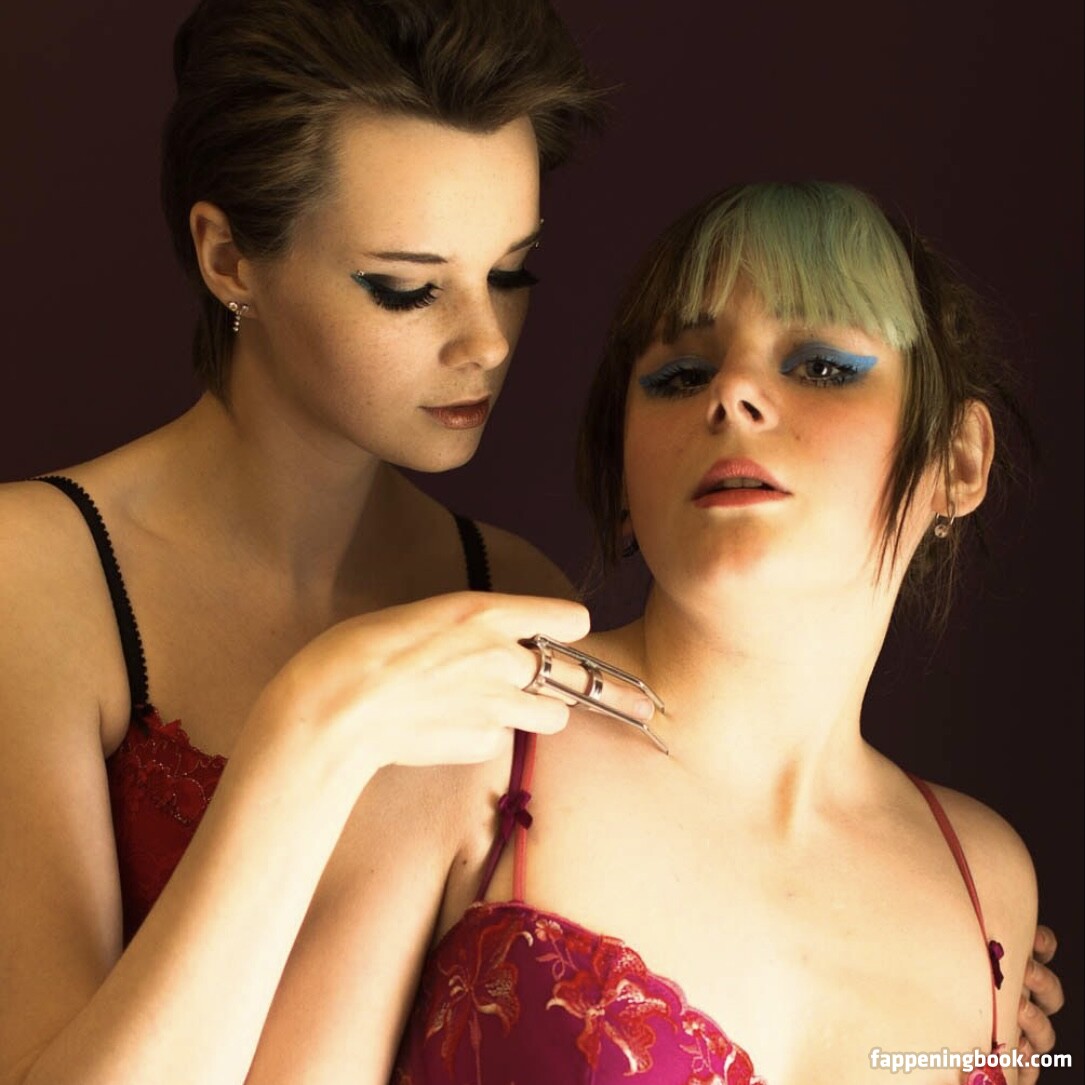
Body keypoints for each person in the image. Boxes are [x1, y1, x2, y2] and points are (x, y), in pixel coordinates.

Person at [0, 0, 1061, 1080]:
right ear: (230, 258)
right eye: (406, 287)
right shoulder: (36, 573)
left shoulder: (511, 600)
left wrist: (935, 991)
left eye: (510, 274)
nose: (487, 342)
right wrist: (313, 727)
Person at [386, 182, 1050, 1083]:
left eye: (822, 365)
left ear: (958, 459)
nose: (732, 392)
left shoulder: (987, 881)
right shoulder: (465, 737)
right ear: (624, 474)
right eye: (680, 376)